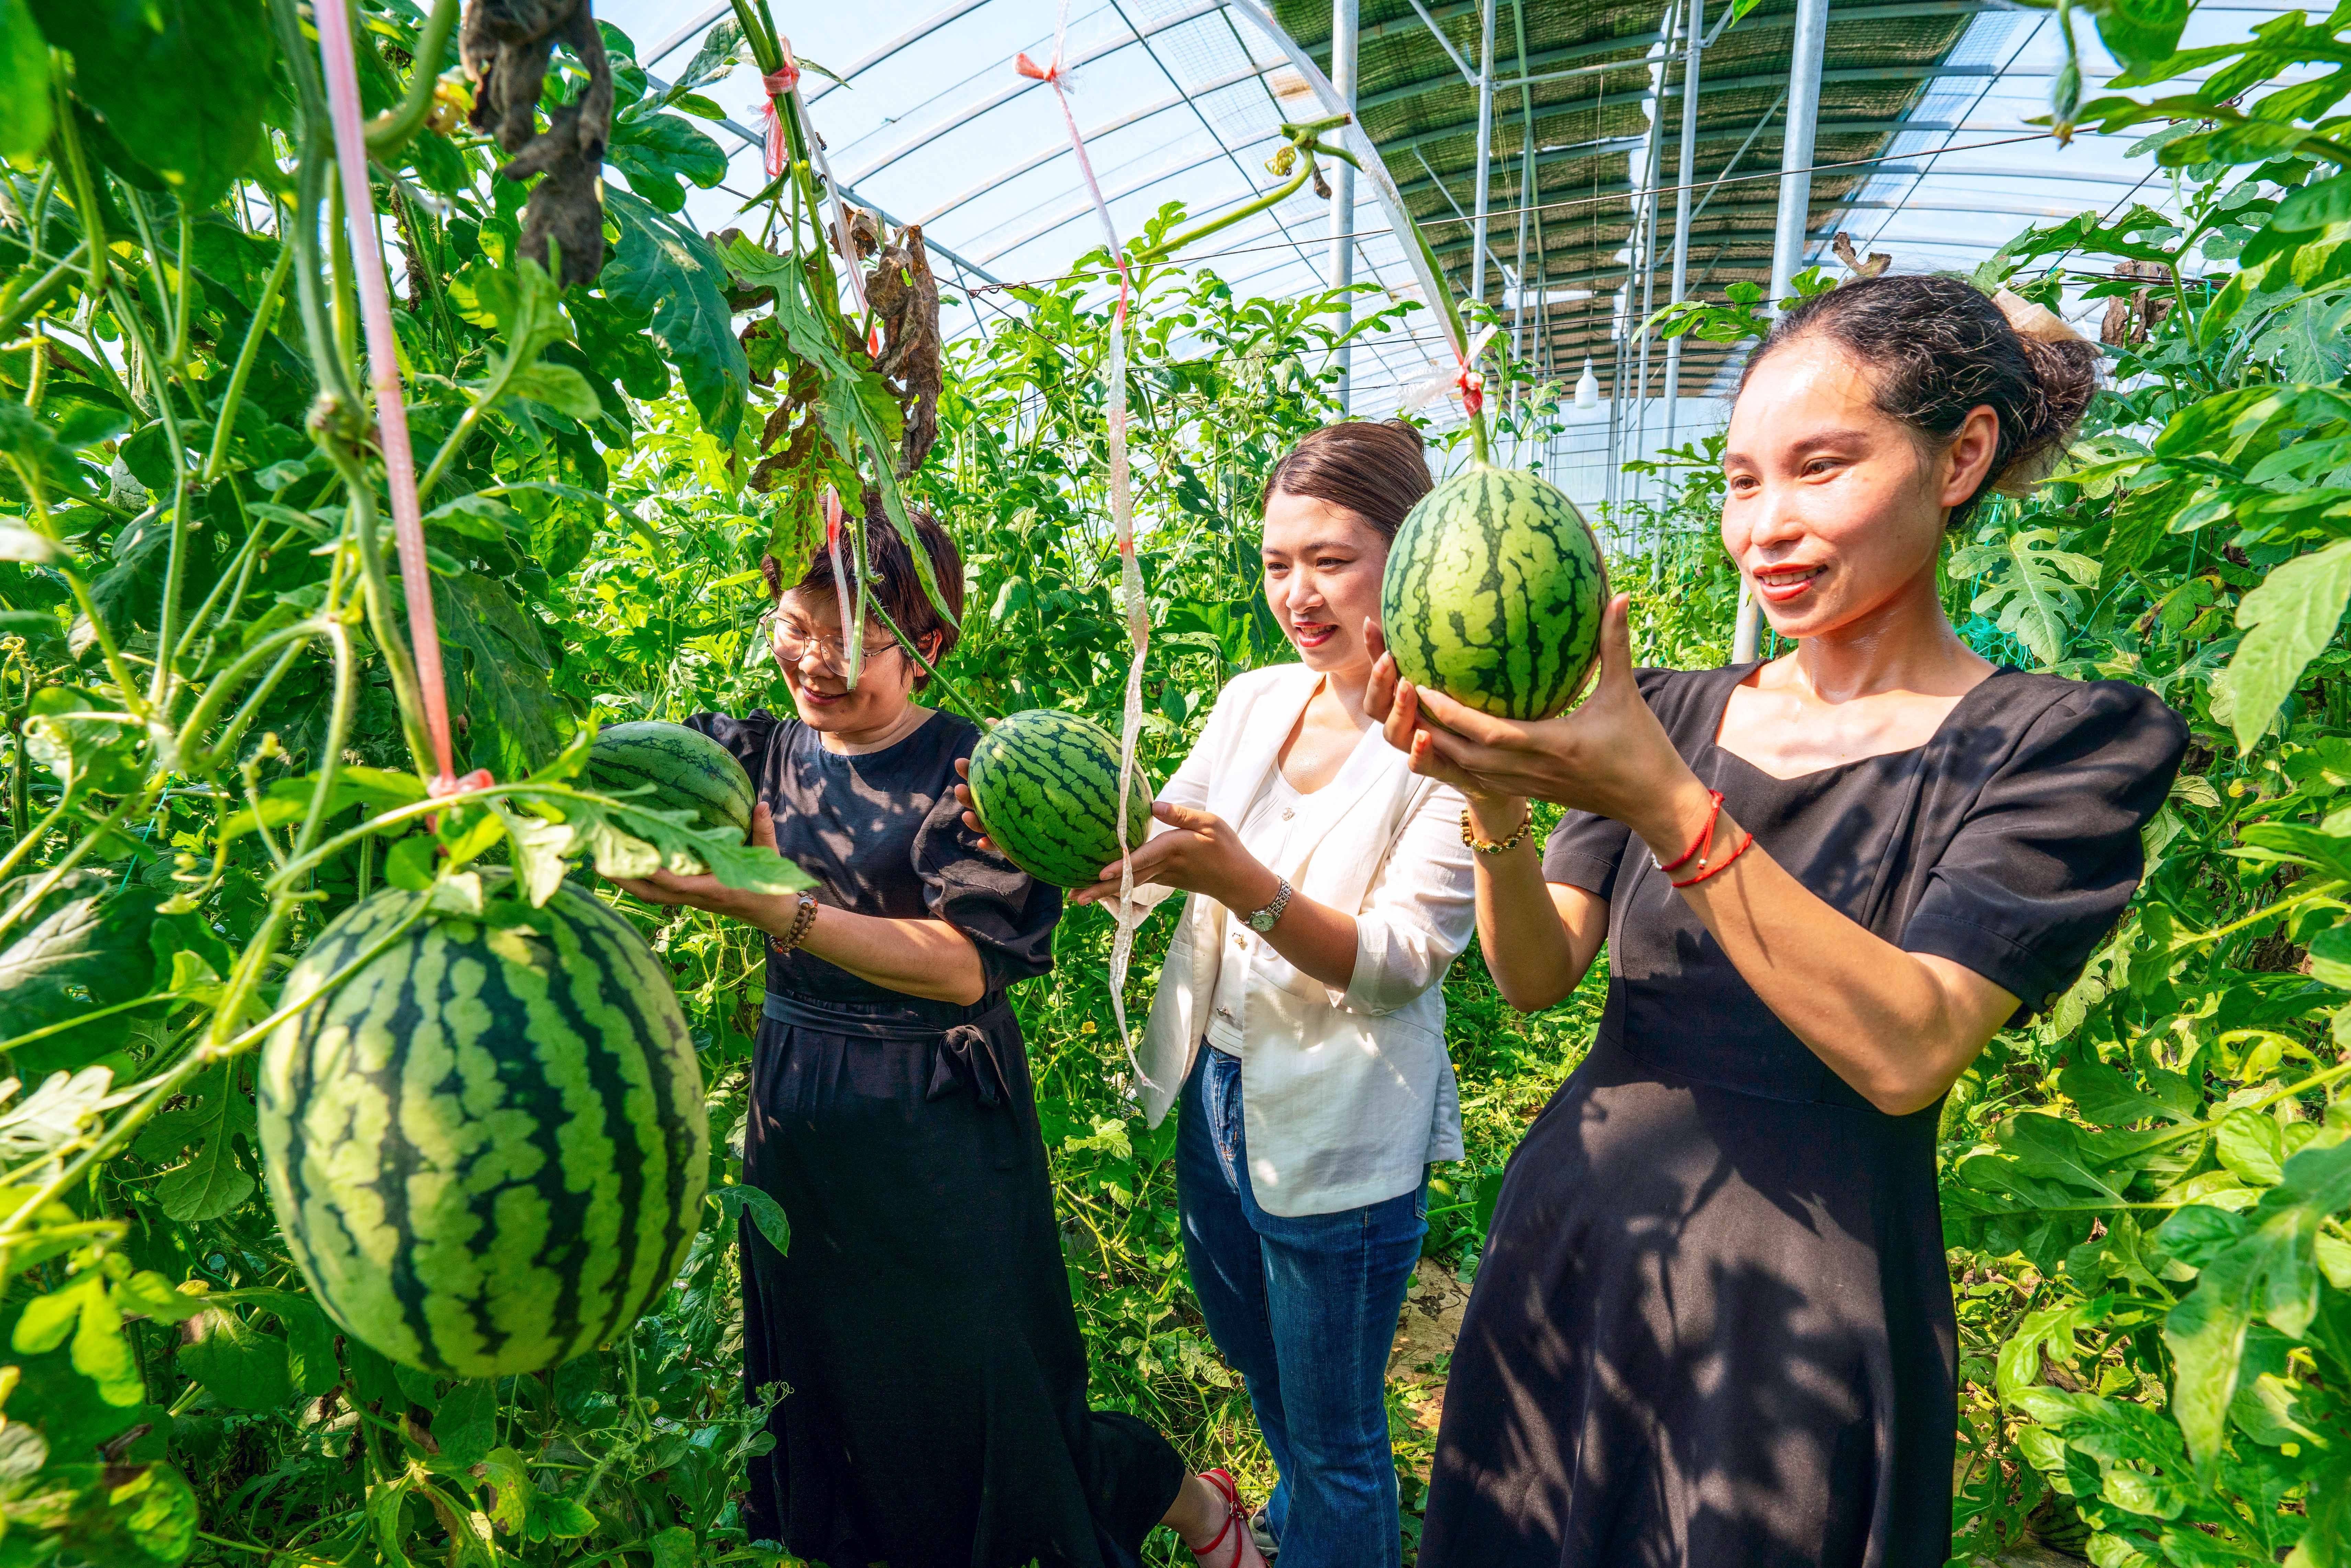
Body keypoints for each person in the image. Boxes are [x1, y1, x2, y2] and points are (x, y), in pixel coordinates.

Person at [1374, 275, 2188, 1566]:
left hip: (1799, 1310)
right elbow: (1537, 975)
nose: (1768, 527)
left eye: (1820, 469)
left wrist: (1661, 799)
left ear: (1960, 454)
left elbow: (1908, 1045)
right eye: (1742, 481)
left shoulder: (2059, 743)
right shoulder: (1666, 707)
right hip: (1578, 1240)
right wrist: (1493, 807)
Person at [609, 509, 1269, 1568]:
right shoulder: (750, 755)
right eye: (794, 625)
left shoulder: (979, 776)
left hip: (936, 1117)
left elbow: (964, 964)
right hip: (802, 1108)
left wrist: (779, 909)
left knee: (977, 1391)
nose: (814, 663)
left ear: (931, 647)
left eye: (855, 640)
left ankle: (1187, 1502)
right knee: (828, 1383)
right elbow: (621, 792)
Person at [1045, 421, 1477, 1567]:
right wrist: (1057, 831)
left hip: (1343, 1125)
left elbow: (1399, 960)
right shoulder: (1253, 698)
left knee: (1337, 1436)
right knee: (1261, 1372)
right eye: (1279, 562)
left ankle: (1332, 1537)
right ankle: (1289, 1537)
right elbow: (1161, 834)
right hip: (1215, 1089)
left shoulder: (1451, 739)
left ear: (1416, 552)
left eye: (1332, 559)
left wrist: (1239, 880)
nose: (1299, 592)